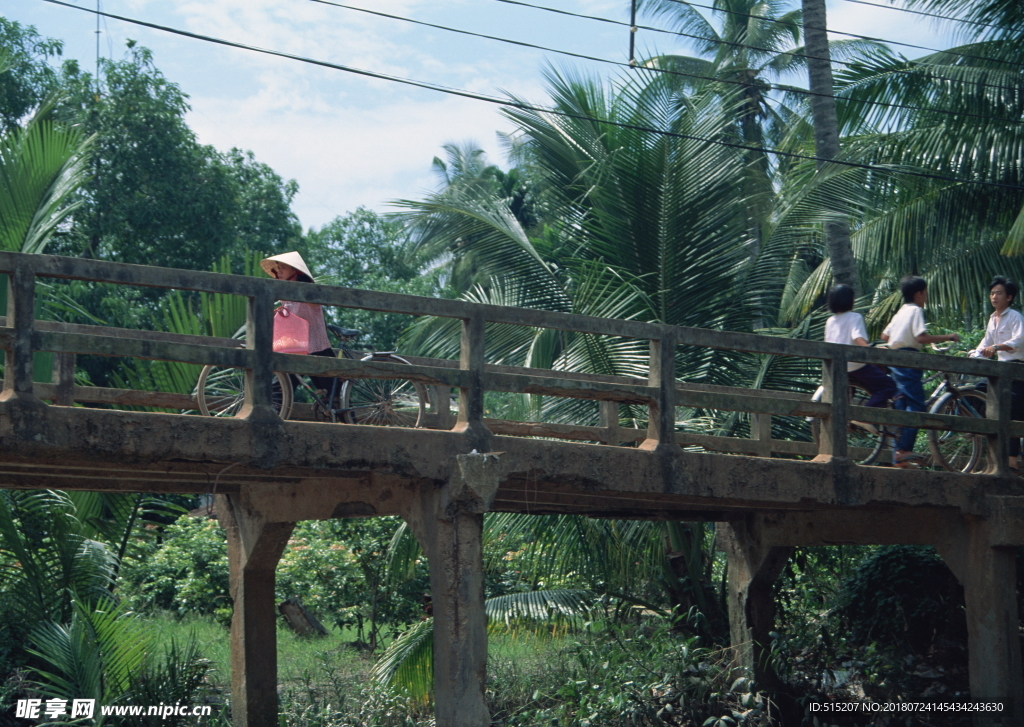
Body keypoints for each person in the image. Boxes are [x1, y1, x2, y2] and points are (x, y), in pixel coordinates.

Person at [881, 276, 960, 468]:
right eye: (925, 293)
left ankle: (898, 457)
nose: (925, 297)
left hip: (894, 359)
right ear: (919, 293)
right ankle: (904, 451)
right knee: (917, 406)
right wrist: (947, 336)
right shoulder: (916, 310)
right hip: (909, 359)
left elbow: (885, 335)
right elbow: (920, 337)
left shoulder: (900, 312)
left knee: (902, 404)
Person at [968, 276, 1024, 472]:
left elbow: (1018, 341)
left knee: (1013, 413)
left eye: (998, 293)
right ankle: (983, 434)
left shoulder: (1015, 316)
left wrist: (996, 347)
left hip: (1017, 368)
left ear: (1009, 297)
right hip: (1000, 370)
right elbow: (985, 343)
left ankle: (1011, 460)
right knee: (976, 392)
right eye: (992, 293)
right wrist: (974, 354)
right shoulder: (993, 318)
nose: (994, 296)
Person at [260, 251, 336, 394]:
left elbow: (316, 304)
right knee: (279, 390)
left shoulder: (310, 291)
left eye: (283, 268)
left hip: (317, 349)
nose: (279, 271)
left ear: (294, 271)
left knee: (334, 397)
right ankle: (271, 415)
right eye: (278, 268)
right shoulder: (285, 297)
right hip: (296, 350)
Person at [825, 284, 896, 408]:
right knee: (888, 385)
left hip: (836, 367)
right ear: (850, 300)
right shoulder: (855, 317)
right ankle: (866, 414)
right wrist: (873, 351)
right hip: (855, 366)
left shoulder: (830, 321)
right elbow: (858, 338)